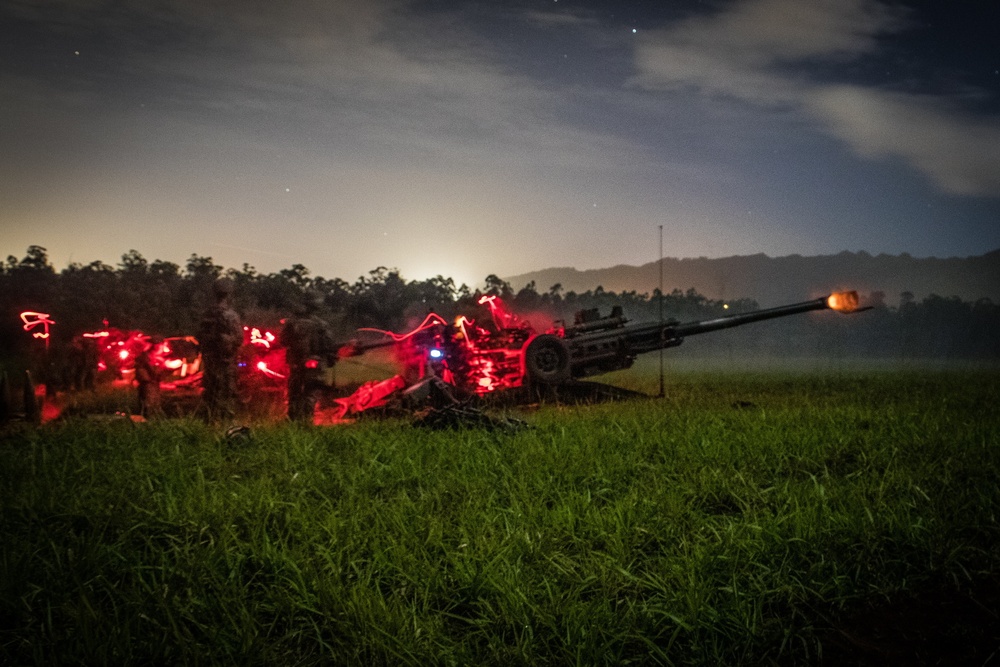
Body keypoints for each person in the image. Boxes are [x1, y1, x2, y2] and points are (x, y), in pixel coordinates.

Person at [280, 292, 337, 423]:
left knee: (294, 393)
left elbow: (283, 341)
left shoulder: (291, 323)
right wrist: (331, 359)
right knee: (311, 392)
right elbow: (328, 346)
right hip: (314, 364)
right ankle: (306, 420)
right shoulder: (321, 325)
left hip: (296, 363)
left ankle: (292, 420)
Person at [198, 278, 243, 421]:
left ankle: (209, 422)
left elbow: (199, 336)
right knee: (227, 393)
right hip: (225, 362)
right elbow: (239, 339)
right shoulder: (230, 315)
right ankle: (226, 425)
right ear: (229, 294)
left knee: (210, 393)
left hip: (209, 361)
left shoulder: (206, 314)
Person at [134, 337, 164, 419]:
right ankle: (147, 421)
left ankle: (153, 420)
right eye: (159, 345)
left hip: (153, 383)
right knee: (148, 404)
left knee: (155, 403)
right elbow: (151, 369)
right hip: (148, 383)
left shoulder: (155, 356)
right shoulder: (146, 356)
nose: (161, 347)